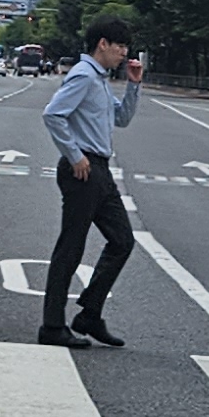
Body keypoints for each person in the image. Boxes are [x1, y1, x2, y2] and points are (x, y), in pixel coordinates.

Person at [34, 17, 144, 348]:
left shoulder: (99, 79)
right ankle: (52, 326)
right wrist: (74, 155)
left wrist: (134, 85)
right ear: (102, 45)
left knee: (122, 240)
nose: (124, 54)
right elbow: (53, 114)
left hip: (99, 171)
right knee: (70, 248)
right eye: (120, 46)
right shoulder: (83, 75)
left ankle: (89, 314)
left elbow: (121, 119)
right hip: (83, 170)